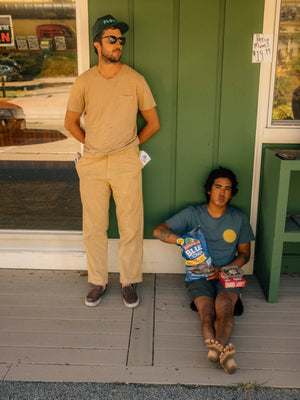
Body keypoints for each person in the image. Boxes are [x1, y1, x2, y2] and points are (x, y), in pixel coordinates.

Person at [64, 15, 160, 309]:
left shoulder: (135, 79)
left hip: (126, 162)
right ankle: (98, 280)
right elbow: (70, 123)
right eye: (112, 39)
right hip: (92, 162)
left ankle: (128, 281)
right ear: (97, 44)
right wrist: (91, 146)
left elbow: (153, 123)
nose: (118, 44)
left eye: (121, 40)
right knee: (94, 226)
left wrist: (130, 147)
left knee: (131, 225)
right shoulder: (84, 82)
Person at [152, 167, 255, 373]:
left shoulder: (239, 218)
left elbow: (244, 254)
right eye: (218, 187)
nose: (222, 193)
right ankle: (223, 352)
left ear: (231, 193)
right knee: (206, 312)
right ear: (209, 190)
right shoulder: (193, 213)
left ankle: (214, 349)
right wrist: (182, 240)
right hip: (198, 274)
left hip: (226, 274)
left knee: (225, 309)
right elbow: (158, 231)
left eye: (227, 189)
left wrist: (224, 269)